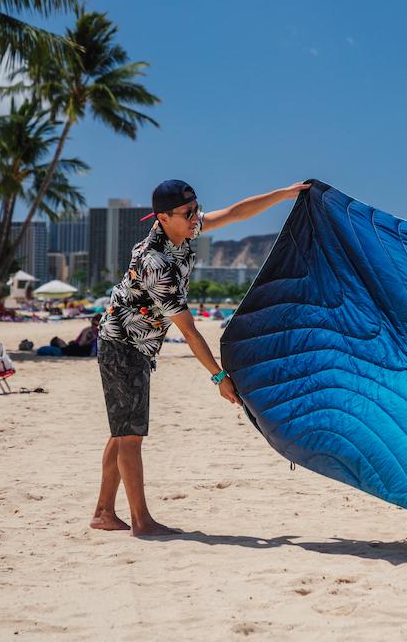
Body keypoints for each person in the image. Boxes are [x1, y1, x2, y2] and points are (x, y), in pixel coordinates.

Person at [91, 178, 311, 536]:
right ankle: (141, 522)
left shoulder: (185, 232)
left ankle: (103, 512)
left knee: (121, 433)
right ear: (162, 217)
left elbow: (236, 213)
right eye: (188, 212)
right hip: (123, 346)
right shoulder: (156, 262)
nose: (196, 217)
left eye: (196, 209)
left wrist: (284, 195)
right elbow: (190, 331)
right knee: (129, 436)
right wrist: (219, 378)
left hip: (136, 345)